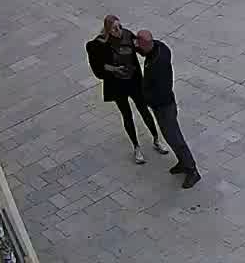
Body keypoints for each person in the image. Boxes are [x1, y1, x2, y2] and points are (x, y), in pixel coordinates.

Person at [86, 15, 167, 165]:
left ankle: (156, 139)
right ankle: (136, 147)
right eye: (114, 29)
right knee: (127, 115)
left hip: (134, 82)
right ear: (108, 30)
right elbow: (98, 66)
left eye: (120, 27)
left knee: (144, 110)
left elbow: (142, 49)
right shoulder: (99, 44)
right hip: (117, 85)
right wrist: (114, 69)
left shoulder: (128, 35)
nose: (118, 31)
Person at [134, 30, 200, 188]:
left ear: (146, 45)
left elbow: (160, 91)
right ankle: (183, 162)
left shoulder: (157, 64)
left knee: (175, 138)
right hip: (161, 105)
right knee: (169, 137)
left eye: (139, 45)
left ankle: (192, 170)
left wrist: (146, 99)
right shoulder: (160, 48)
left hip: (164, 107)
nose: (137, 48)